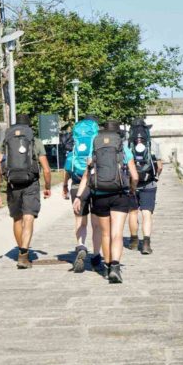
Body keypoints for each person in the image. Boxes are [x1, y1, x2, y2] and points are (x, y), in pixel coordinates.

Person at [74, 120, 138, 283]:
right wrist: (131, 188)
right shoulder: (124, 148)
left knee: (105, 233)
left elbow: (87, 175)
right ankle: (115, 267)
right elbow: (135, 176)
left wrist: (79, 197)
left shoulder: (95, 146)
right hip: (119, 194)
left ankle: (107, 266)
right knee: (117, 233)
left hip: (99, 194)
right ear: (118, 133)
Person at [0, 114, 51, 269]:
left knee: (17, 219)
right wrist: (47, 187)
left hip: (12, 184)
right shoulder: (35, 141)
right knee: (29, 217)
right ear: (29, 126)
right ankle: (23, 255)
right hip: (30, 183)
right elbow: (46, 169)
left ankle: (22, 252)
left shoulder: (6, 142)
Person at [62, 115, 103, 273]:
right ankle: (97, 255)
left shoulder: (75, 146)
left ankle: (81, 245)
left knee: (80, 220)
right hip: (95, 185)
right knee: (96, 224)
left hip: (77, 186)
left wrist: (65, 185)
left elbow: (67, 168)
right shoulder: (97, 142)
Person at [127, 119, 162, 254]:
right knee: (147, 213)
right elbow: (159, 166)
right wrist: (156, 176)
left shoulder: (126, 145)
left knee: (132, 212)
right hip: (149, 183)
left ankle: (134, 241)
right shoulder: (153, 144)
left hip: (131, 184)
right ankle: (146, 243)